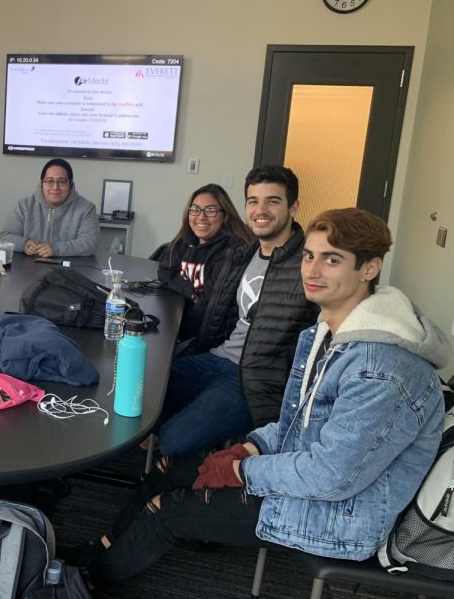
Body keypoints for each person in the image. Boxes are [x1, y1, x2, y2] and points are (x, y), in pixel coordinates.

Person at [69, 208, 449, 587]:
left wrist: (240, 470)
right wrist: (249, 448)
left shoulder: (380, 368)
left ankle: (87, 582)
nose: (312, 271)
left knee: (165, 513)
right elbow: (295, 424)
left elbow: (332, 476)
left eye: (332, 260)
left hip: (340, 516)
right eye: (309, 256)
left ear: (369, 269)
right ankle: (104, 547)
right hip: (306, 479)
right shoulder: (331, 331)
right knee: (168, 469)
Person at [154, 165, 318, 457]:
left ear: (294, 208)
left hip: (252, 381)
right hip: (216, 358)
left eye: (273, 201)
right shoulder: (242, 255)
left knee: (173, 440)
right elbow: (216, 315)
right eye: (253, 201)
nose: (261, 210)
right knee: (138, 389)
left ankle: (189, 471)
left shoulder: (308, 266)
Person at [151, 183, 253, 343]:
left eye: (211, 210)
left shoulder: (232, 251)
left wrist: (174, 335)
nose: (201, 217)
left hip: (201, 338)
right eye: (195, 209)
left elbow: (209, 303)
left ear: (225, 215)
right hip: (176, 324)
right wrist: (191, 291)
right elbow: (164, 271)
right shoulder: (183, 241)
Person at [0, 158, 100, 257]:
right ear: (42, 183)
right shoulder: (24, 205)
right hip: (29, 269)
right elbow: (4, 237)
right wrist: (24, 243)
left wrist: (56, 249)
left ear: (70, 184)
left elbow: (90, 243)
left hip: (70, 269)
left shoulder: (86, 208)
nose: (55, 187)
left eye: (62, 181)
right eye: (50, 181)